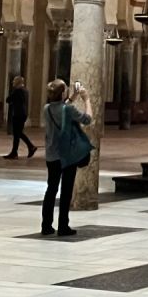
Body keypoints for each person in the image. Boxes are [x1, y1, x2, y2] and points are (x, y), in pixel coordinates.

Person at [41, 78, 92, 238]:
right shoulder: (68, 110)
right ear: (63, 92)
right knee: (66, 190)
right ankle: (63, 226)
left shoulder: (47, 108)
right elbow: (87, 119)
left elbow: (62, 107)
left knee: (51, 189)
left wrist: (72, 97)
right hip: (67, 155)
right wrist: (86, 99)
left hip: (51, 155)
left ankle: (46, 225)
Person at [3, 74, 37, 158]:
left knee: (17, 133)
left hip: (18, 114)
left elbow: (8, 99)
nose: (12, 82)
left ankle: (18, 151)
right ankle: (27, 148)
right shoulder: (25, 90)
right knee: (18, 133)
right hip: (23, 114)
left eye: (14, 81)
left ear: (18, 82)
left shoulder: (17, 90)